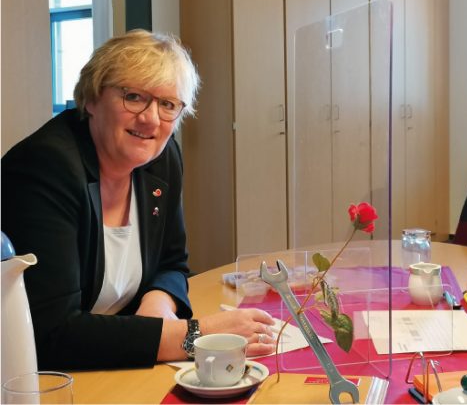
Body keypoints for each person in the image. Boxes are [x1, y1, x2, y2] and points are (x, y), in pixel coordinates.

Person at [2, 30, 276, 370]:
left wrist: (158, 306)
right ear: (91, 98)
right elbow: (52, 332)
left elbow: (172, 262)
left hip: (116, 358)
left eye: (167, 104)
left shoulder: (160, 157)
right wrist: (195, 336)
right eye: (133, 96)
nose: (150, 119)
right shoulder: (45, 166)